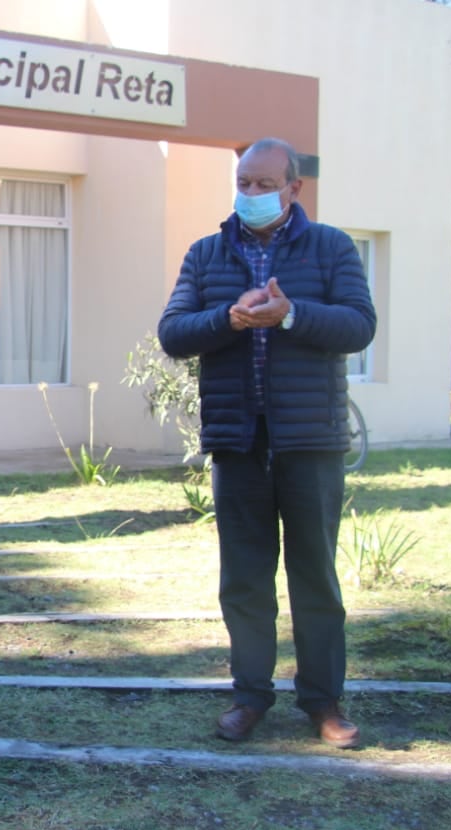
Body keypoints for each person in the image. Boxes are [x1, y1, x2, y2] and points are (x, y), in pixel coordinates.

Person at [158, 138, 377, 748]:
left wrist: (289, 314)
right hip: (238, 442)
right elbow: (174, 333)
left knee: (315, 577)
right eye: (243, 182)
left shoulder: (330, 246)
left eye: (262, 183)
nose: (250, 194)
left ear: (293, 188)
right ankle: (250, 696)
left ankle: (324, 703)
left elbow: (360, 325)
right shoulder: (207, 254)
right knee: (245, 579)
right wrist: (228, 319)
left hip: (311, 442)